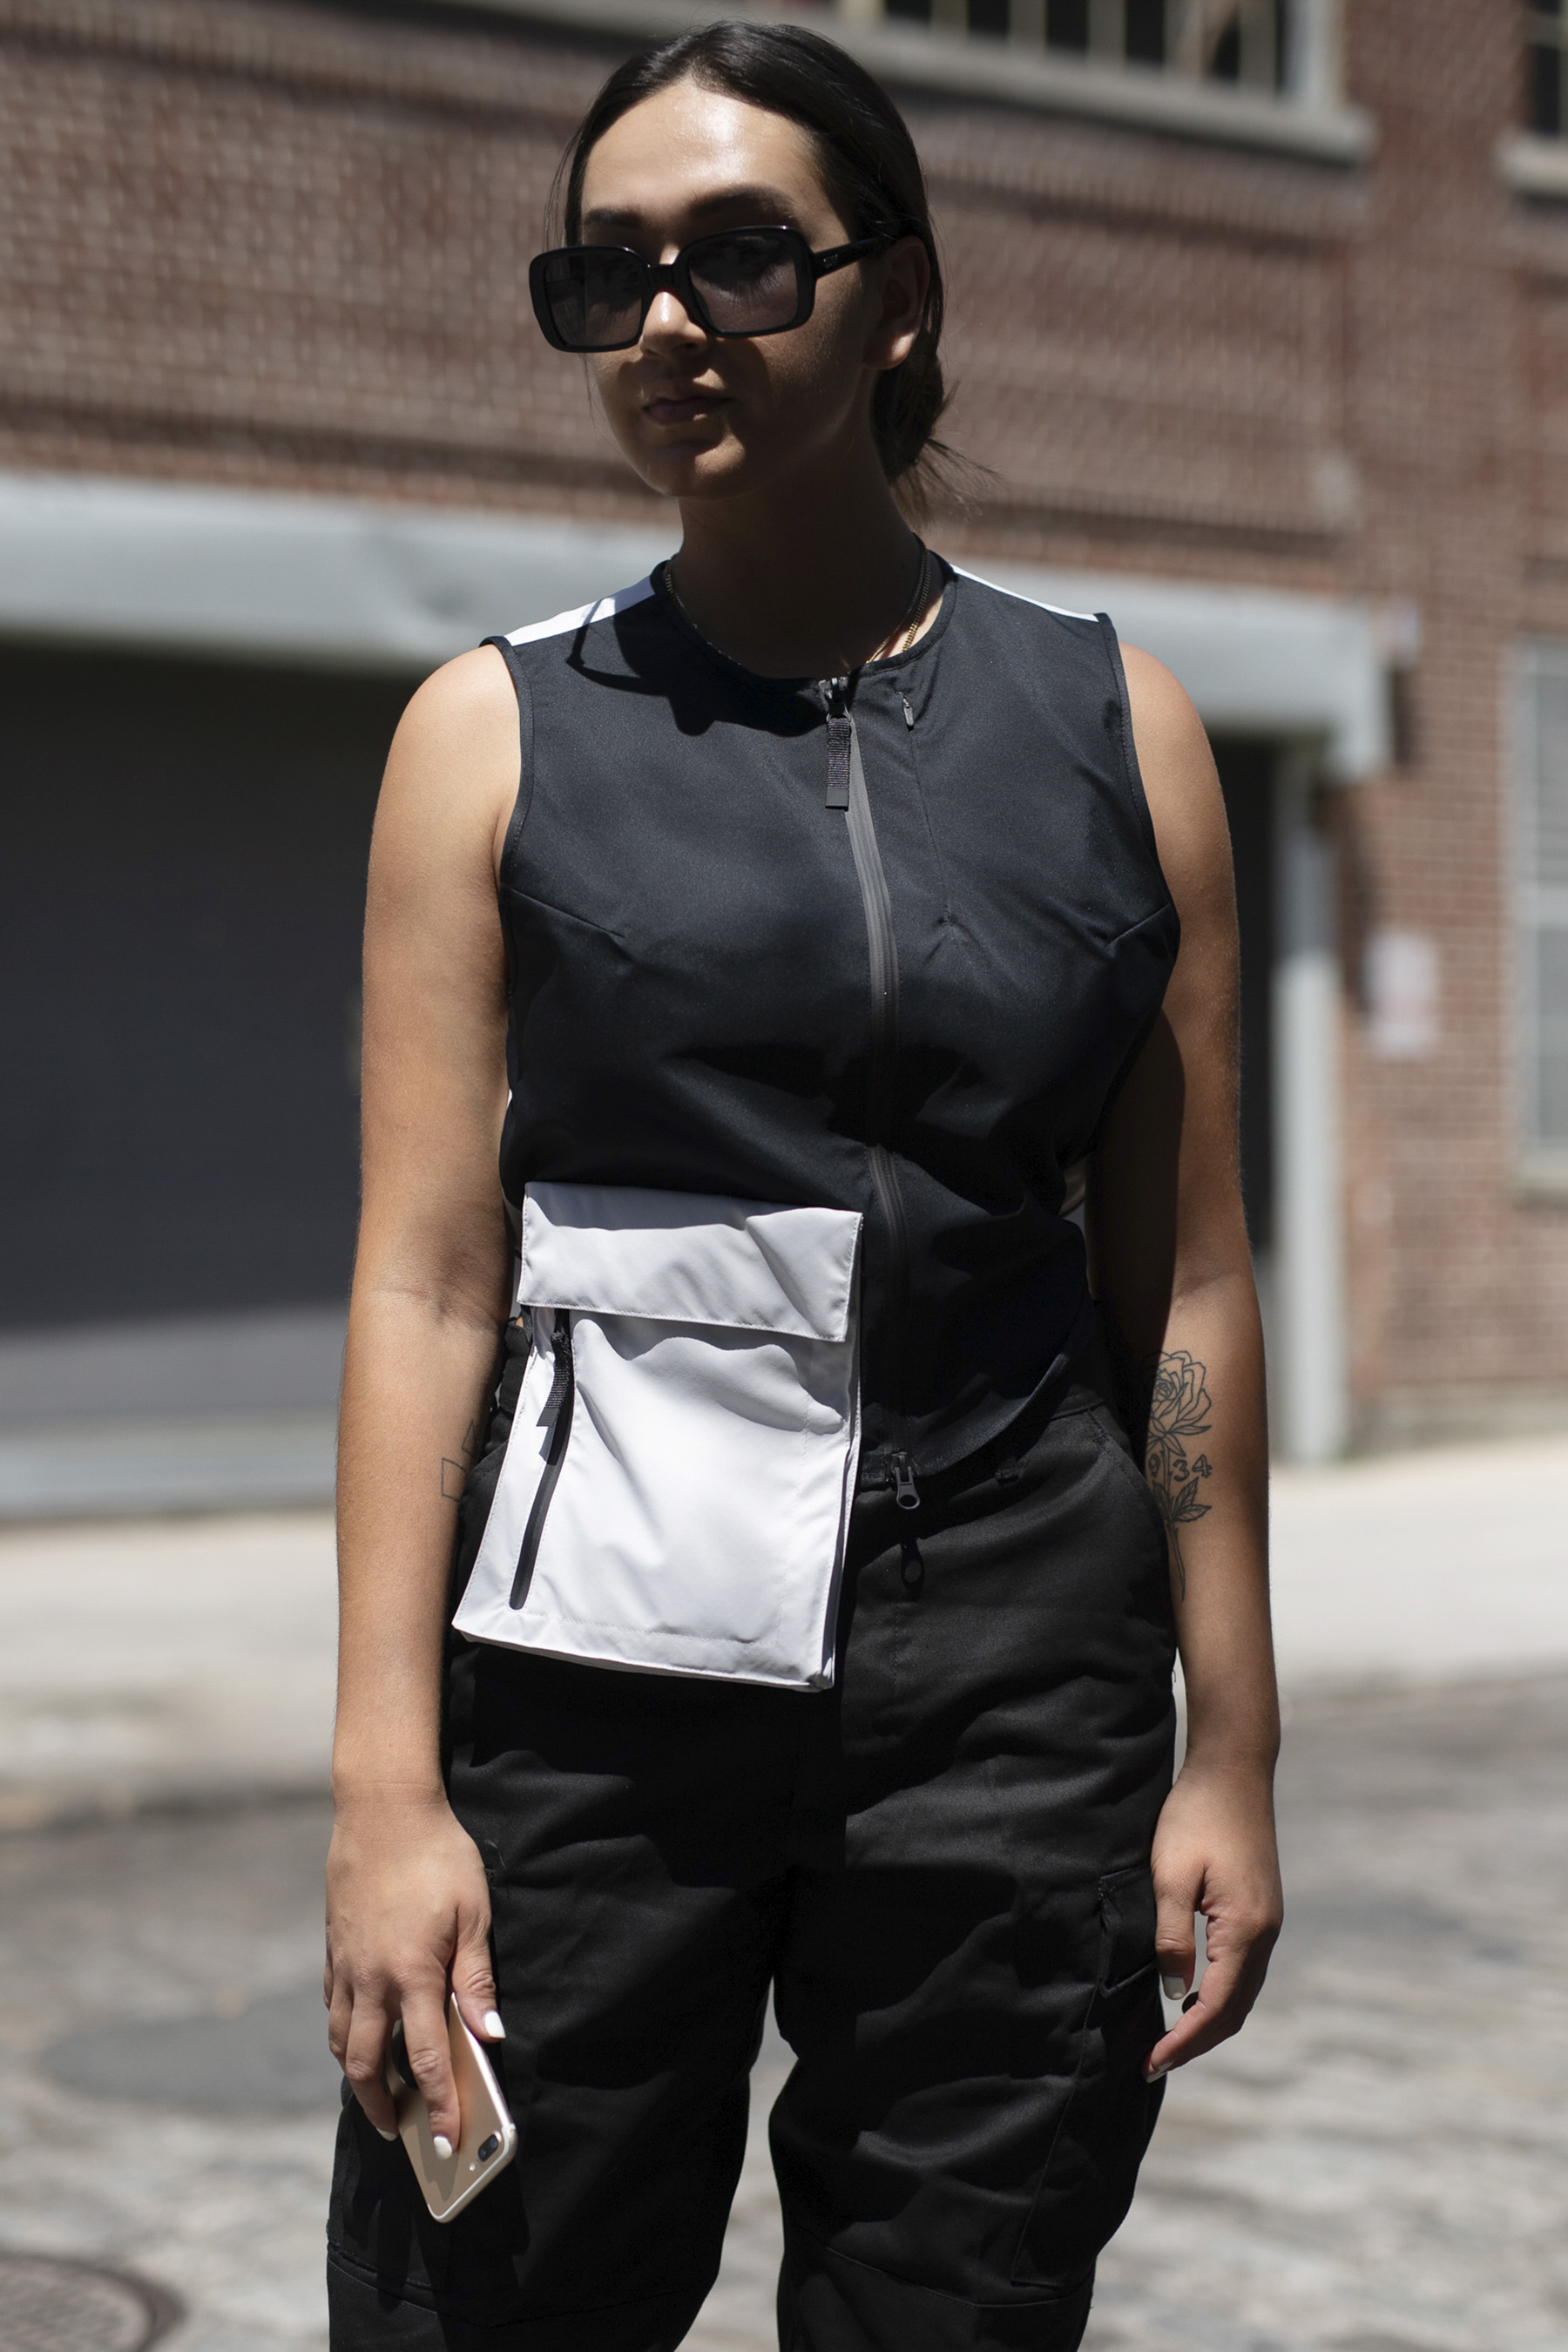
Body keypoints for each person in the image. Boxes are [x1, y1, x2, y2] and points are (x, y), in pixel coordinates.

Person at [322, 22, 1282, 2351]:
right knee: (488, 2306)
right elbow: (426, 1283)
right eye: (609, 274)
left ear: (901, 298)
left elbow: (1182, 1288)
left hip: (1013, 1686)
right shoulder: (490, 734)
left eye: (742, 257)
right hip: (588, 1687)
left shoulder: (1118, 731)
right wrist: (385, 1790)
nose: (667, 321)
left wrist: (1234, 1740)